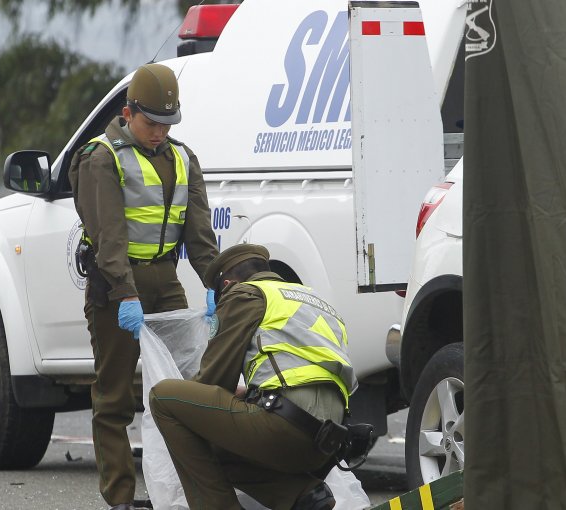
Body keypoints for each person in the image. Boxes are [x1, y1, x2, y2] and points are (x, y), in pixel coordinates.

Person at [68, 63, 218, 510]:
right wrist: (125, 293)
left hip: (165, 282)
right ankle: (120, 499)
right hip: (116, 288)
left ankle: (183, 495)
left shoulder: (183, 158)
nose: (159, 132)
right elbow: (109, 237)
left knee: (185, 392)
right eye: (151, 122)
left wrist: (216, 283)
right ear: (128, 112)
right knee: (114, 398)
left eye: (167, 124)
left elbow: (200, 236)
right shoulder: (102, 158)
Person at [149, 244, 358, 510]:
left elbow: (214, 379)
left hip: (284, 428)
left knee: (164, 399)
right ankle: (303, 495)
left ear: (227, 283)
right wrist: (247, 395)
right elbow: (299, 371)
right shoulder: (312, 300)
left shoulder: (245, 294)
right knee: (218, 448)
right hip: (327, 444)